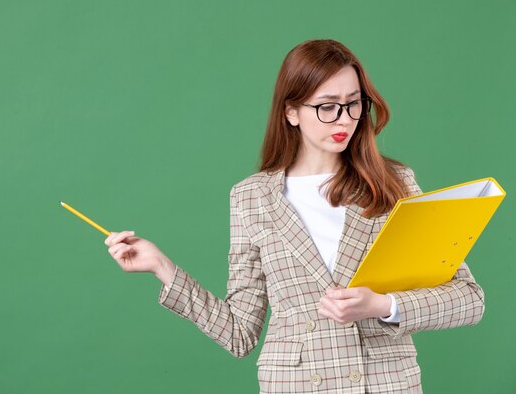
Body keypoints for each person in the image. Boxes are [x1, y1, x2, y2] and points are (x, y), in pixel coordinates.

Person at [103, 39, 485, 394]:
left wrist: (381, 305)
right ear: (291, 112)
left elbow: (468, 300)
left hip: (384, 384)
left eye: (354, 103)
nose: (345, 119)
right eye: (327, 105)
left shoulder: (393, 183)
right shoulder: (251, 197)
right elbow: (239, 333)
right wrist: (161, 266)